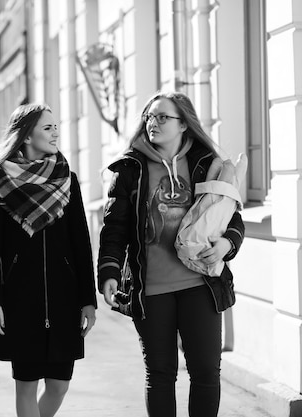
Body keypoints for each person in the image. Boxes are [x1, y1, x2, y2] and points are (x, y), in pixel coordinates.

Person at [97, 91, 245, 417]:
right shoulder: (129, 169)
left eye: (163, 117)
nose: (154, 123)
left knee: (206, 372)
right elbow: (114, 227)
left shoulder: (208, 164)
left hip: (201, 284)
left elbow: (230, 216)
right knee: (161, 374)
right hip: (151, 290)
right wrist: (108, 271)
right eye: (150, 117)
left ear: (183, 125)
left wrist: (227, 245)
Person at [0, 103, 97, 417]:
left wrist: (88, 300)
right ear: (27, 136)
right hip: (19, 300)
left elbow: (81, 242)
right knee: (26, 385)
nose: (56, 133)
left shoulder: (67, 179)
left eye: (56, 127)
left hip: (64, 299)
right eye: (47, 128)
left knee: (59, 385)